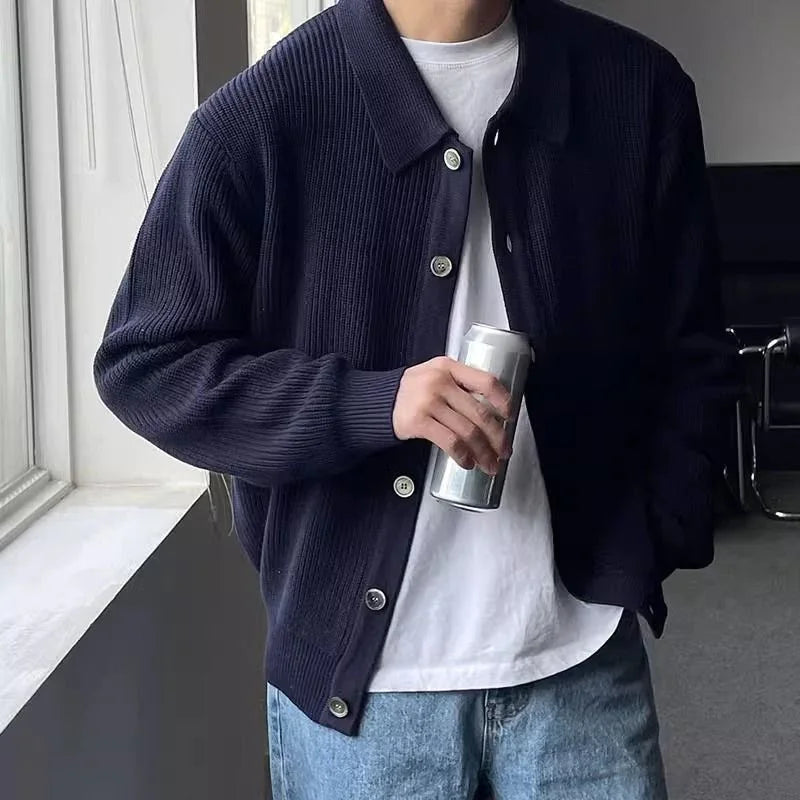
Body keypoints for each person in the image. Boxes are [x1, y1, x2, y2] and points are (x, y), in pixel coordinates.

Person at [95, 0, 737, 797]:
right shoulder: (266, 113)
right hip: (364, 698)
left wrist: (661, 528)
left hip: (579, 661)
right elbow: (146, 364)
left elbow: (692, 348)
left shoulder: (638, 92)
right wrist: (372, 404)